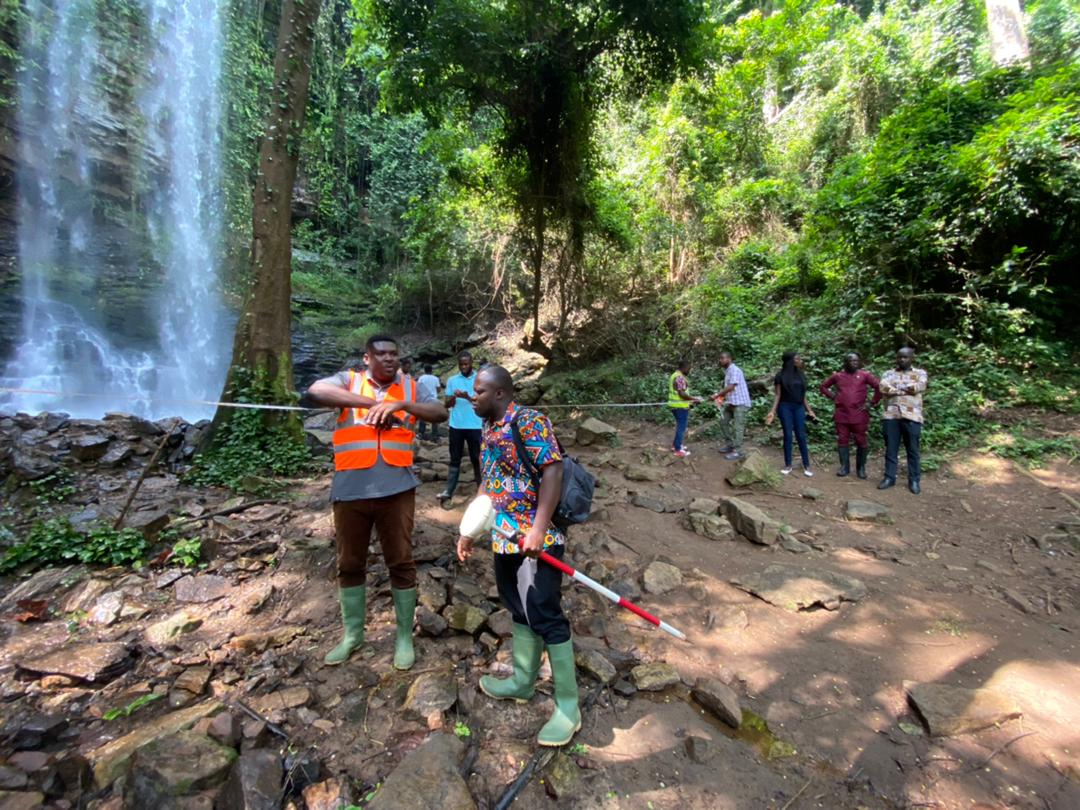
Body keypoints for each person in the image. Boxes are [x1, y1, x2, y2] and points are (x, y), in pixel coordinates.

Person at [456, 365, 580, 747]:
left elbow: (553, 471)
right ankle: (523, 682)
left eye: (478, 391)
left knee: (544, 611)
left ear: (500, 393)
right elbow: (488, 480)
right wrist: (469, 530)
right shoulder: (488, 426)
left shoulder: (529, 421)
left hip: (535, 538)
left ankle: (568, 708)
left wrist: (539, 528)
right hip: (503, 536)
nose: (471, 396)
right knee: (517, 607)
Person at [307, 334, 448, 670]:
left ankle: (403, 637)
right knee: (350, 563)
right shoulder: (349, 381)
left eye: (394, 353)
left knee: (400, 561)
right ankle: (353, 636)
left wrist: (401, 405)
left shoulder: (411, 387)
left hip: (397, 490)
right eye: (381, 354)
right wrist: (372, 405)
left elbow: (440, 412)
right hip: (351, 488)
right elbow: (315, 391)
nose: (389, 359)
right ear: (366, 358)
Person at [819, 352, 881, 478]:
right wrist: (834, 396)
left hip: (859, 414)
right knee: (842, 440)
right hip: (842, 414)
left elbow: (879, 387)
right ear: (845, 363)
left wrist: (871, 402)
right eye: (852, 361)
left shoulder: (865, 375)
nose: (855, 363)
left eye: (857, 361)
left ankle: (861, 468)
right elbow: (823, 387)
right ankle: (844, 467)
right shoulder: (838, 376)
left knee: (861, 441)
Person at [878, 347, 927, 494]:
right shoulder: (888, 373)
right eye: (899, 357)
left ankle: (914, 480)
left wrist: (896, 389)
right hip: (891, 416)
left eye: (905, 357)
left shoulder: (920, 373)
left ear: (912, 358)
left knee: (913, 450)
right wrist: (905, 389)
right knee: (891, 449)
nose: (902, 360)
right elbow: (883, 388)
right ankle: (889, 477)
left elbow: (919, 386)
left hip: (912, 416)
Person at [438, 351, 483, 505]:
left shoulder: (479, 379)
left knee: (477, 459)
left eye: (466, 364)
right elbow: (446, 404)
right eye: (461, 364)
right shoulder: (452, 380)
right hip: (456, 425)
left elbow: (482, 403)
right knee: (454, 459)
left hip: (475, 425)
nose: (464, 367)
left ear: (472, 363)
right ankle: (448, 492)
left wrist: (467, 397)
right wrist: (453, 398)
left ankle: (481, 492)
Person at [765, 351, 818, 476]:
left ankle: (807, 465)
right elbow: (778, 395)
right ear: (790, 361)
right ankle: (788, 464)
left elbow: (803, 396)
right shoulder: (780, 376)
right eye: (797, 359)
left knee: (801, 435)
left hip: (799, 407)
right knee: (788, 435)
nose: (800, 361)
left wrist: (809, 410)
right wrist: (772, 411)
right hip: (785, 407)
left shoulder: (801, 375)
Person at [716, 351, 752, 460]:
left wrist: (717, 395)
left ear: (729, 359)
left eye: (723, 358)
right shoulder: (728, 371)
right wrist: (720, 398)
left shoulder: (735, 370)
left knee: (738, 427)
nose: (721, 360)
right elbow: (729, 390)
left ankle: (738, 451)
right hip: (732, 402)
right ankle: (730, 445)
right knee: (723, 421)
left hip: (740, 403)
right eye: (720, 358)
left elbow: (731, 387)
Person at [668, 359, 701, 457]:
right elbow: (682, 394)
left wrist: (691, 400)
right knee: (681, 428)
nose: (689, 371)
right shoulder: (680, 377)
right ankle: (678, 450)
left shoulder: (674, 375)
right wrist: (694, 399)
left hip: (675, 405)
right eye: (689, 368)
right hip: (680, 406)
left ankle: (675, 445)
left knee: (680, 426)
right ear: (685, 368)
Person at [415, 364, 443, 441]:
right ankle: (435, 435)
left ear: (424, 370)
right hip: (433, 400)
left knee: (422, 417)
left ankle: (421, 433)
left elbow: (418, 388)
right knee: (434, 418)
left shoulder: (421, 378)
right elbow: (439, 389)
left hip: (424, 399)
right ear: (431, 370)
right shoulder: (435, 378)